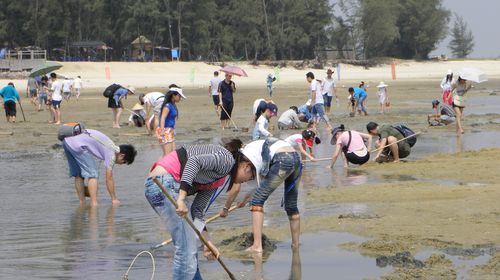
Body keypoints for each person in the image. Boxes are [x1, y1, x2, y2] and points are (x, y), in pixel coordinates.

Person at [144, 139, 255, 280]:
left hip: (158, 188)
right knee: (185, 250)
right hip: (163, 183)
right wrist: (182, 198)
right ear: (247, 166)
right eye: (251, 176)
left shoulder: (219, 179)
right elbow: (193, 162)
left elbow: (197, 210)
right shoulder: (227, 160)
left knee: (190, 247)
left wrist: (207, 243)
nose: (248, 181)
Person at [235, 138, 302, 253]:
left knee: (256, 201)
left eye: (241, 180)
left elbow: (259, 192)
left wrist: (250, 199)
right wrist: (245, 199)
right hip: (295, 157)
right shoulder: (253, 156)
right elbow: (262, 185)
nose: (245, 181)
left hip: (282, 158)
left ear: (244, 166)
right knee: (291, 206)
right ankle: (295, 245)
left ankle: (257, 246)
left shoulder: (249, 156)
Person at [62, 129, 137, 206]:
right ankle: (94, 204)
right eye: (124, 162)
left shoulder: (109, 144)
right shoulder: (112, 153)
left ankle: (82, 203)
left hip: (67, 142)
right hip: (77, 145)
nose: (121, 164)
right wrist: (114, 199)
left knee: (78, 175)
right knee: (93, 174)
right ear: (122, 155)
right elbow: (109, 178)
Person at [157, 87, 186, 156]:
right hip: (165, 130)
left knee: (173, 153)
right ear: (173, 95)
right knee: (167, 155)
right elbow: (162, 118)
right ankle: (157, 166)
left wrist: (172, 130)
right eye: (179, 96)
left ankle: (159, 166)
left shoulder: (172, 105)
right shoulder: (167, 106)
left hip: (170, 131)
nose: (180, 98)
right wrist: (162, 130)